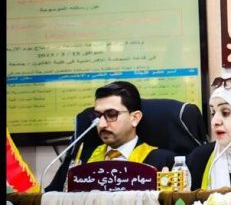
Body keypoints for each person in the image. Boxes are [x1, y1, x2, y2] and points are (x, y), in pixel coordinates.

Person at [46, 81, 176, 191]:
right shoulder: (79, 161)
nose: (101, 124)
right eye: (97, 116)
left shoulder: (163, 162)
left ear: (135, 118)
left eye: (112, 114)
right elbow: (51, 200)